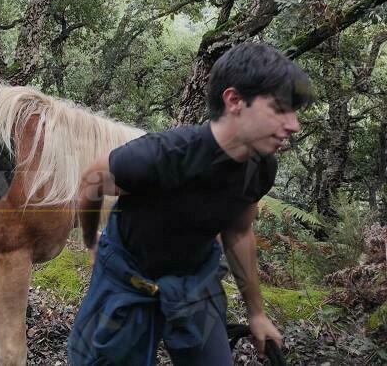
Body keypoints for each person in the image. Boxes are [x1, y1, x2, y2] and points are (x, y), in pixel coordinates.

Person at [68, 43, 314, 365]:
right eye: (280, 109)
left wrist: (257, 314)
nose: (294, 125)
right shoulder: (162, 155)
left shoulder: (260, 167)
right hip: (127, 275)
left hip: (196, 281)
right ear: (234, 100)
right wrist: (90, 241)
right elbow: (91, 182)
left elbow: (238, 232)